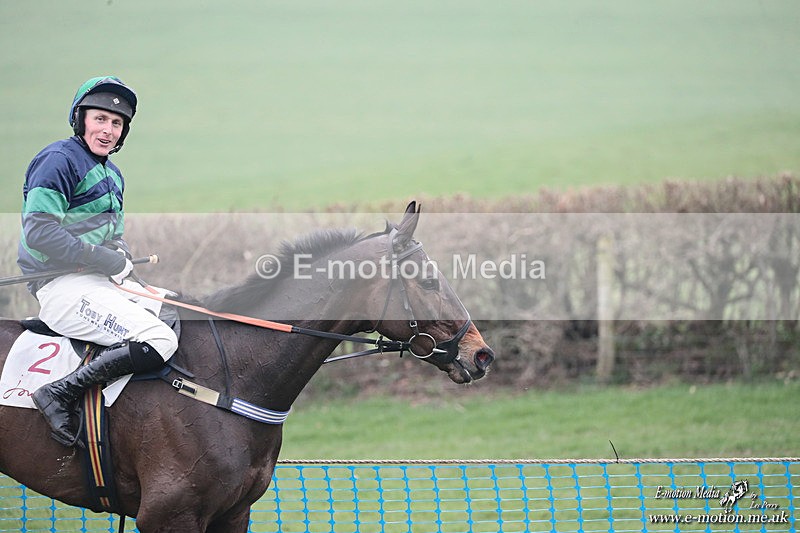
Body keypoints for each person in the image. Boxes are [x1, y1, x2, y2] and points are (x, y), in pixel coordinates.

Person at [17, 76, 178, 446]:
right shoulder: (58, 161)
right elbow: (40, 232)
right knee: (158, 338)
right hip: (61, 287)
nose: (108, 130)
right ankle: (57, 393)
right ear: (81, 119)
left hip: (99, 284)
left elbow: (111, 236)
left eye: (116, 123)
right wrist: (101, 258)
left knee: (179, 312)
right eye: (100, 119)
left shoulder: (113, 174)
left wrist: (119, 252)